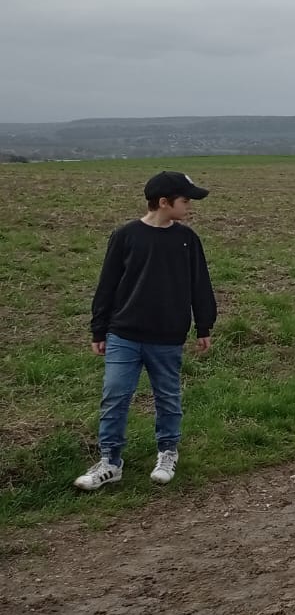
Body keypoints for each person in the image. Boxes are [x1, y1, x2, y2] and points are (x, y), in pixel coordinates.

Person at [74, 171, 217, 492]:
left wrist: (204, 325)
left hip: (167, 336)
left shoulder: (187, 239)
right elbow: (107, 285)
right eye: (185, 200)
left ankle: (167, 453)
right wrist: (99, 330)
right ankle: (110, 462)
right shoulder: (125, 236)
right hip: (123, 335)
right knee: (115, 396)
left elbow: (200, 284)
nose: (190, 206)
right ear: (164, 202)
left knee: (167, 397)